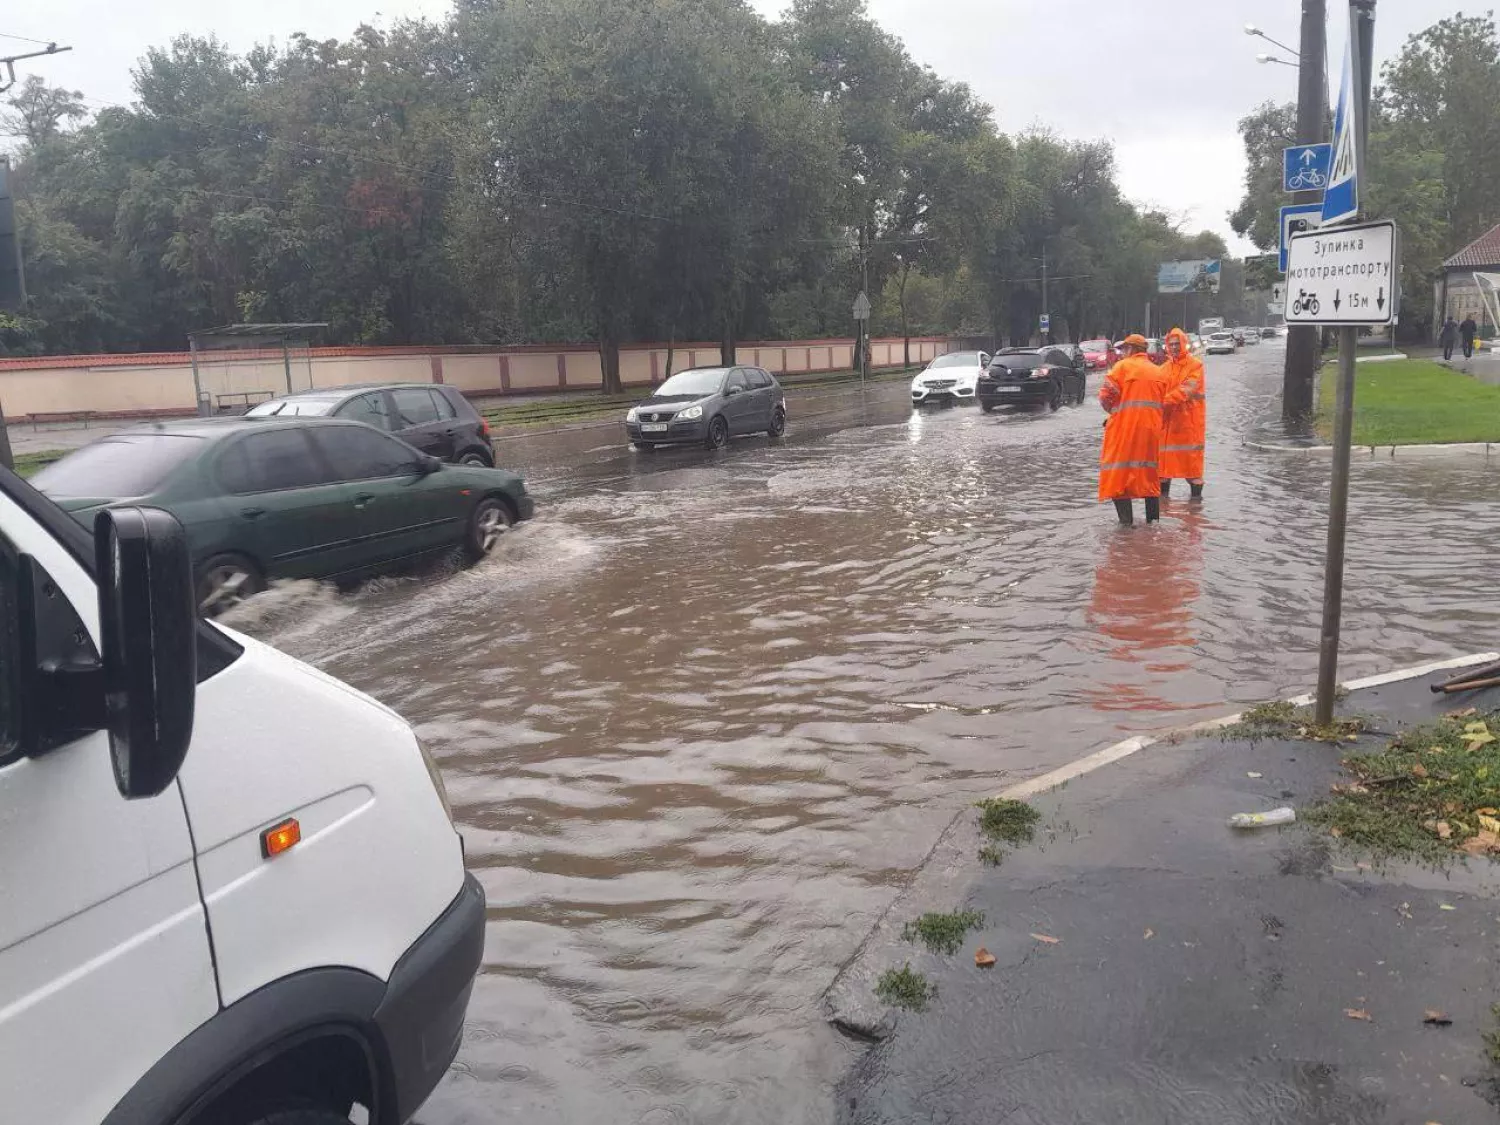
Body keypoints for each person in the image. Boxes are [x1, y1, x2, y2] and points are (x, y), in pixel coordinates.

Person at [1098, 334, 1174, 525]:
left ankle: (1126, 526)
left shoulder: (1122, 367)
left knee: (1119, 476)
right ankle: (1153, 524)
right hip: (1151, 431)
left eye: (1123, 349)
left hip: (1125, 430)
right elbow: (1164, 403)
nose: (1122, 353)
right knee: (1149, 477)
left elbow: (1105, 397)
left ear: (1131, 349)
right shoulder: (1158, 372)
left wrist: (1113, 413)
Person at [1158, 327, 1205, 500]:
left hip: (1188, 425)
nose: (1175, 347)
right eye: (1171, 344)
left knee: (1192, 470)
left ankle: (1194, 510)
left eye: (1178, 344)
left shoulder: (1195, 365)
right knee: (1163, 470)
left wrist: (1160, 402)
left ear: (1184, 344)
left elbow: (1187, 390)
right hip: (1167, 425)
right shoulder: (1163, 369)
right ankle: (1163, 509)